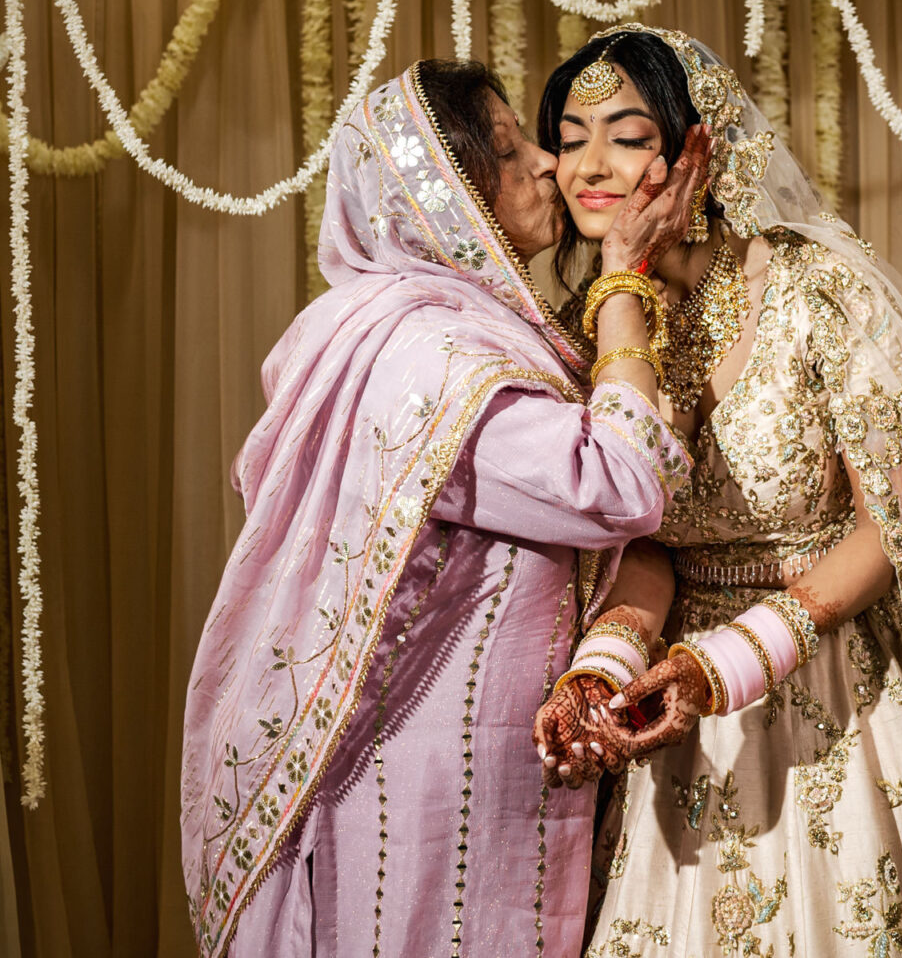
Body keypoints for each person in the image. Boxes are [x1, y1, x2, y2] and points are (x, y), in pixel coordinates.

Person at [531, 27, 902, 958]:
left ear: (694, 147)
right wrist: (606, 668)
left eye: (625, 134)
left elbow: (898, 520)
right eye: (572, 133)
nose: (589, 162)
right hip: (676, 718)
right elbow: (655, 539)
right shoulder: (603, 320)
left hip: (829, 684)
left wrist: (733, 660)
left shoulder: (815, 288)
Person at [180, 60, 706, 958]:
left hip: (469, 766)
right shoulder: (434, 359)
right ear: (447, 200)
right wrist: (622, 277)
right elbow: (622, 483)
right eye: (512, 151)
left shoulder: (429, 329)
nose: (550, 165)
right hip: (432, 790)